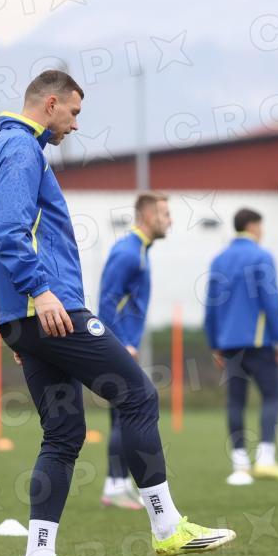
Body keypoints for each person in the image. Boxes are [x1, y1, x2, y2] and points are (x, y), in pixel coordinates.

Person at [0, 70, 235, 556]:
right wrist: (39, 292)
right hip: (50, 305)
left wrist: (11, 319)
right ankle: (166, 525)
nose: (74, 125)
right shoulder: (22, 148)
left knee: (63, 433)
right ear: (50, 103)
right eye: (73, 113)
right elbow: (6, 231)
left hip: (24, 314)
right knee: (137, 394)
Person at [205, 208, 278, 486]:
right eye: (261, 226)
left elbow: (211, 305)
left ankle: (240, 463)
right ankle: (265, 459)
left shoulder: (219, 259)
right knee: (271, 396)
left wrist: (215, 343)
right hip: (258, 341)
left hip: (229, 344)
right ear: (253, 225)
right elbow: (269, 300)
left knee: (235, 400)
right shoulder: (261, 256)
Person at [98, 192, 171, 509]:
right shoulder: (128, 252)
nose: (170, 221)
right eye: (165, 214)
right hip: (118, 344)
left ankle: (118, 483)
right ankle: (115, 485)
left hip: (123, 344)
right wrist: (120, 343)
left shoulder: (140, 250)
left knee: (123, 412)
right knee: (131, 410)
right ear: (148, 215)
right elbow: (107, 299)